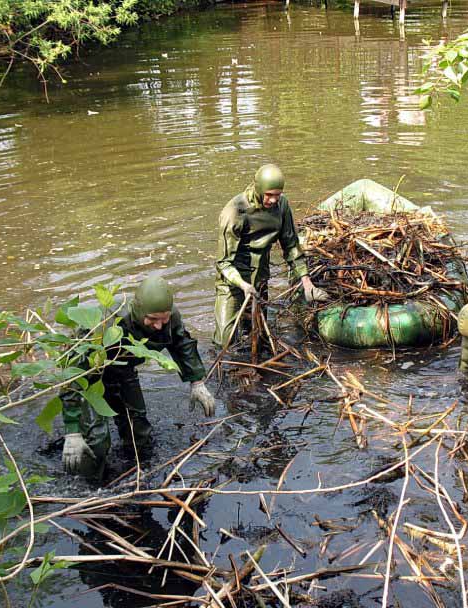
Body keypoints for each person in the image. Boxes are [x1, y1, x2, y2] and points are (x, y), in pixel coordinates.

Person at [61, 274, 215, 477]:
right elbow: (74, 376)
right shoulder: (105, 322)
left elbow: (182, 344)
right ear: (139, 310)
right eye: (153, 320)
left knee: (139, 430)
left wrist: (197, 383)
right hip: (92, 377)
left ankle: (137, 475)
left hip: (123, 370)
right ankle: (88, 487)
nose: (159, 326)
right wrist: (72, 430)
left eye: (164, 319)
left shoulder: (169, 317)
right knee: (96, 441)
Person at [214, 163, 327, 346]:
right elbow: (224, 262)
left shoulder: (282, 205)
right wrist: (243, 285)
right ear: (259, 189)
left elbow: (291, 245)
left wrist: (307, 283)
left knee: (258, 337)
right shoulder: (234, 211)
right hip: (232, 283)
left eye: (278, 194)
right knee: (225, 341)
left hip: (259, 278)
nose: (274, 200)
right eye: (269, 195)